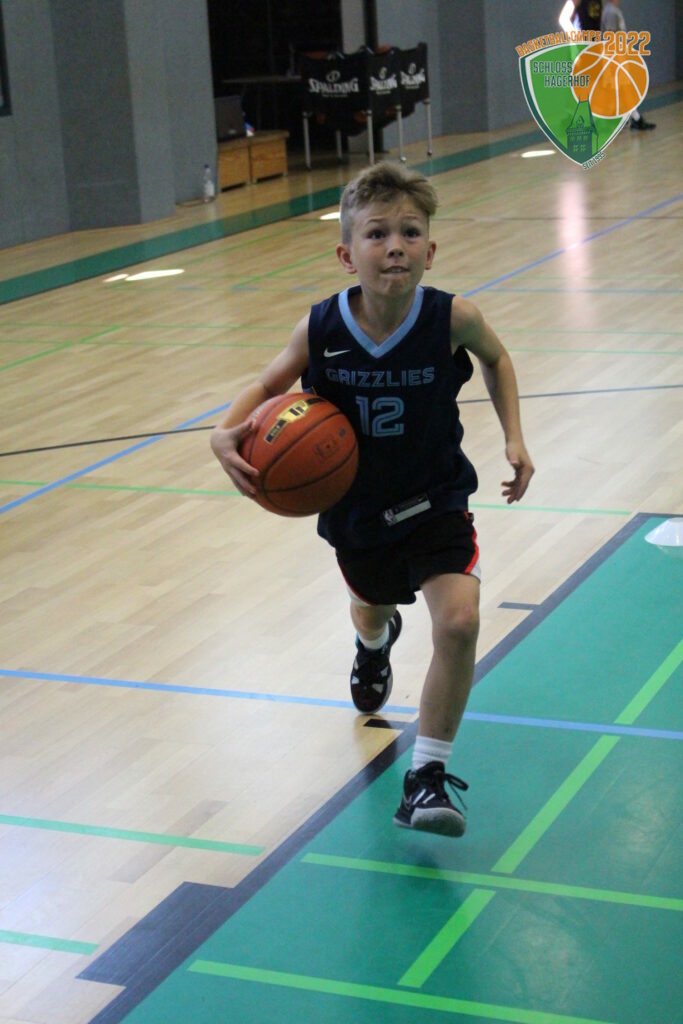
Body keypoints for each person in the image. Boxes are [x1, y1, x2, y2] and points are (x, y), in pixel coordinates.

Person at [210, 162, 534, 838]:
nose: (394, 247)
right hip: (357, 511)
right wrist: (224, 431)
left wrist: (514, 436)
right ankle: (373, 642)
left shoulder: (452, 316)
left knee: (458, 623)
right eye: (377, 234)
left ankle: (426, 777)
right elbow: (268, 385)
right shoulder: (321, 328)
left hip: (435, 499)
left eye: (410, 234)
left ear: (430, 250)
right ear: (346, 254)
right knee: (371, 606)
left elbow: (497, 358)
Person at [601, 0, 656, 130]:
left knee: (620, 88)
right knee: (621, 88)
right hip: (615, 56)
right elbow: (610, 35)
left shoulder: (612, 10)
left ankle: (626, 118)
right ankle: (634, 119)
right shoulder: (611, 12)